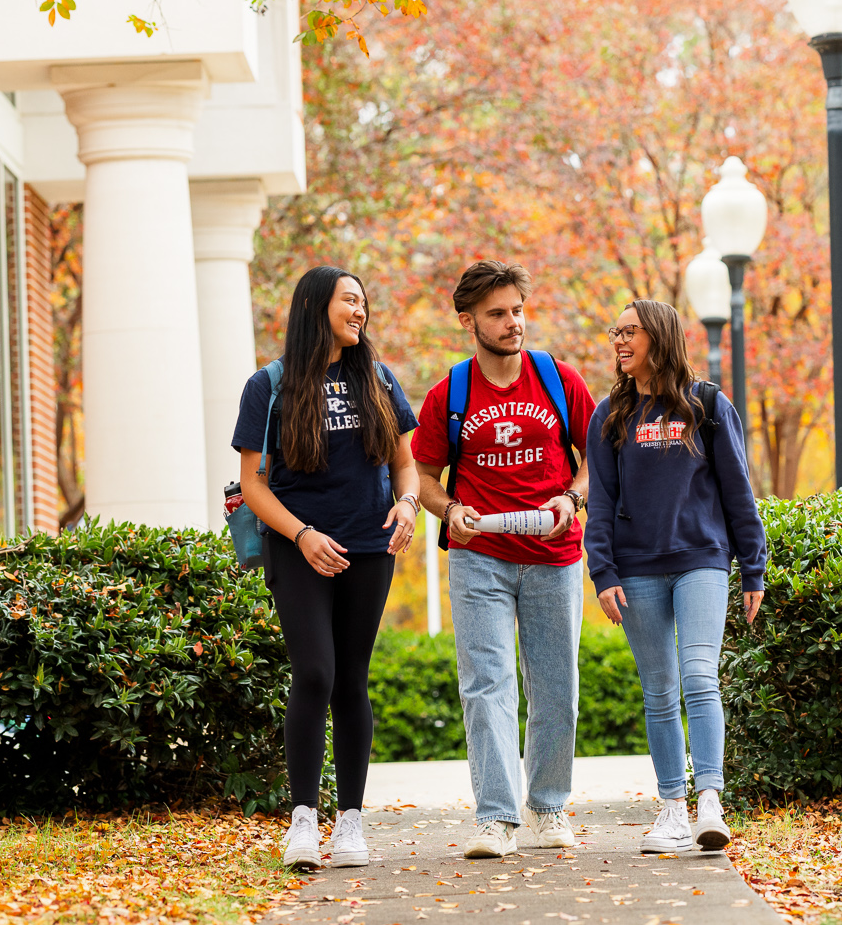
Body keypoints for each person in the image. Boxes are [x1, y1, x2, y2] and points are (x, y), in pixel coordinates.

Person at [232, 266, 420, 873]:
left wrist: (408, 504)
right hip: (299, 546)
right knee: (314, 671)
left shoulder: (379, 378)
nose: (360, 311)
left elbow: (406, 467)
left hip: (370, 545)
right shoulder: (270, 384)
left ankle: (353, 822)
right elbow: (252, 487)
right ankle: (304, 821)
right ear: (316, 306)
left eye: (364, 302)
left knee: (351, 678)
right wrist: (304, 535)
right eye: (349, 300)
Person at [410, 261, 597, 860]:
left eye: (517, 310)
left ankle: (547, 808)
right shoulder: (450, 395)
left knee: (556, 686)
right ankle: (496, 817)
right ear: (469, 321)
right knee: (487, 685)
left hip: (554, 555)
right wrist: (448, 510)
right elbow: (422, 474)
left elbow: (598, 459)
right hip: (478, 558)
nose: (512, 322)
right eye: (497, 313)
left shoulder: (559, 379)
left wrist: (572, 497)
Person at [585, 300, 767, 856]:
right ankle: (670, 808)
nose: (619, 341)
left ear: (658, 337)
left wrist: (753, 567)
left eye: (630, 332)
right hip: (637, 570)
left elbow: (738, 489)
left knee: (698, 677)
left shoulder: (707, 405)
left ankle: (709, 800)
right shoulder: (608, 416)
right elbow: (601, 501)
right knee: (659, 691)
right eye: (615, 332)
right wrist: (603, 571)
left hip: (702, 561)